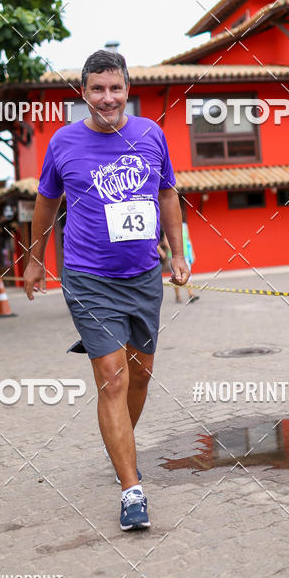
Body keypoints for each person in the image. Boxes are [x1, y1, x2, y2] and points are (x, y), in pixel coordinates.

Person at [23, 49, 190, 531]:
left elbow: (167, 195)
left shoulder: (150, 134)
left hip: (143, 276)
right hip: (88, 277)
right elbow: (45, 204)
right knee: (113, 379)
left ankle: (119, 443)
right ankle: (131, 489)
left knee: (140, 376)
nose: (107, 97)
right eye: (97, 89)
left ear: (127, 90)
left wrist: (177, 253)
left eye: (115, 88)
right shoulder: (63, 143)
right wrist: (35, 259)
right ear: (84, 93)